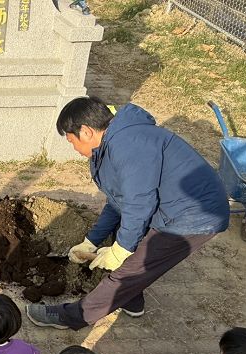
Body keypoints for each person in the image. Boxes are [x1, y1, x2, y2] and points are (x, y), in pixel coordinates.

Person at [26, 97, 229, 330]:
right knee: (125, 241)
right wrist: (91, 241)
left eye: (72, 141)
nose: (74, 149)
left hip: (194, 215)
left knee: (132, 268)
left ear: (86, 132)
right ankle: (131, 300)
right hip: (173, 205)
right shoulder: (113, 141)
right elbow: (118, 202)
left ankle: (71, 316)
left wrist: (121, 250)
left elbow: (138, 204)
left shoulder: (128, 145)